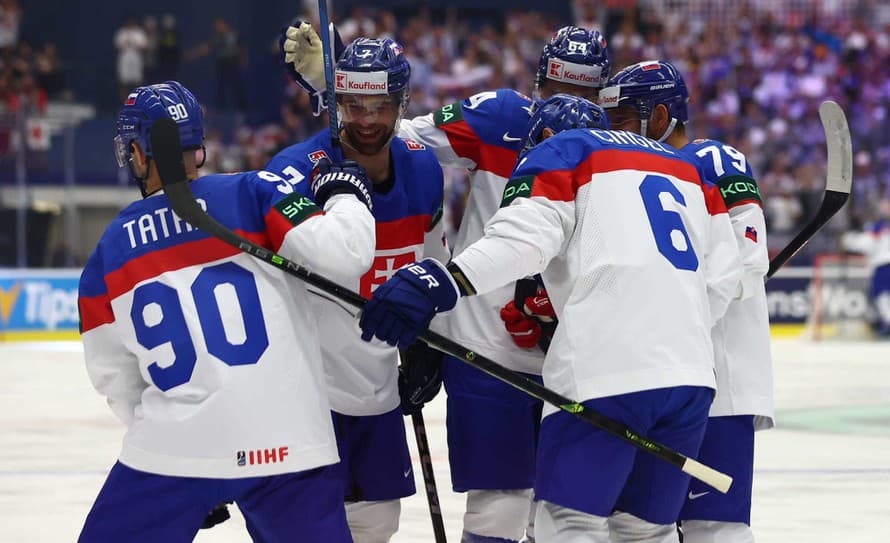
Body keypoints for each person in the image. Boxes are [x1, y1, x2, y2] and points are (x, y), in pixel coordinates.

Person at [357, 94, 743, 543]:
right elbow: (726, 276)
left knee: (568, 523)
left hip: (605, 374)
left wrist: (440, 279)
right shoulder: (688, 170)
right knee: (644, 533)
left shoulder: (563, 151)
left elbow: (522, 240)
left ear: (541, 136)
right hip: (691, 377)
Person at [280, 22, 613, 542]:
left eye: (583, 94)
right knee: (497, 509)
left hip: (581, 358)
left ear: (603, 94)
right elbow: (396, 135)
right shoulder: (501, 118)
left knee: (568, 514)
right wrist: (340, 86)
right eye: (556, 91)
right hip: (488, 348)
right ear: (537, 85)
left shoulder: (620, 152)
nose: (564, 107)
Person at [77, 80, 376, 542]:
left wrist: (199, 459)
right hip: (288, 440)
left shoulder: (110, 249)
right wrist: (347, 195)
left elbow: (115, 379)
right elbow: (345, 257)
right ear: (198, 147)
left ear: (137, 153)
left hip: (178, 447)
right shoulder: (257, 191)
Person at [265, 37, 450, 542]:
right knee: (304, 527)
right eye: (353, 105)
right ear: (335, 103)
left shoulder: (424, 169)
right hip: (307, 393)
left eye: (381, 106)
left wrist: (426, 344)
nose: (366, 120)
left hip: (377, 389)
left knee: (376, 524)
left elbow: (433, 261)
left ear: (403, 103)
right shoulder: (293, 174)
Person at [599, 60, 775, 542]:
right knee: (638, 524)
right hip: (664, 377)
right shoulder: (625, 174)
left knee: (712, 529)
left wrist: (676, 324)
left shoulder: (715, 159)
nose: (609, 131)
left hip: (718, 378)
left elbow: (749, 255)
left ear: (659, 118)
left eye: (620, 118)